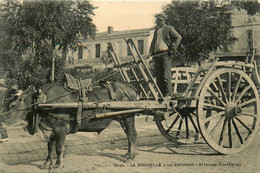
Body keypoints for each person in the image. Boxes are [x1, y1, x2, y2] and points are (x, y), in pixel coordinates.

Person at [149, 13, 182, 100]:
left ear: (163, 20)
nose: (158, 22)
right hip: (157, 55)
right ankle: (161, 94)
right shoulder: (156, 31)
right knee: (159, 75)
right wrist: (150, 53)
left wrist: (172, 48)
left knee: (166, 74)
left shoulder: (168, 28)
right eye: (157, 21)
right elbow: (153, 43)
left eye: (159, 21)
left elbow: (178, 37)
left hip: (165, 54)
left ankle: (168, 94)